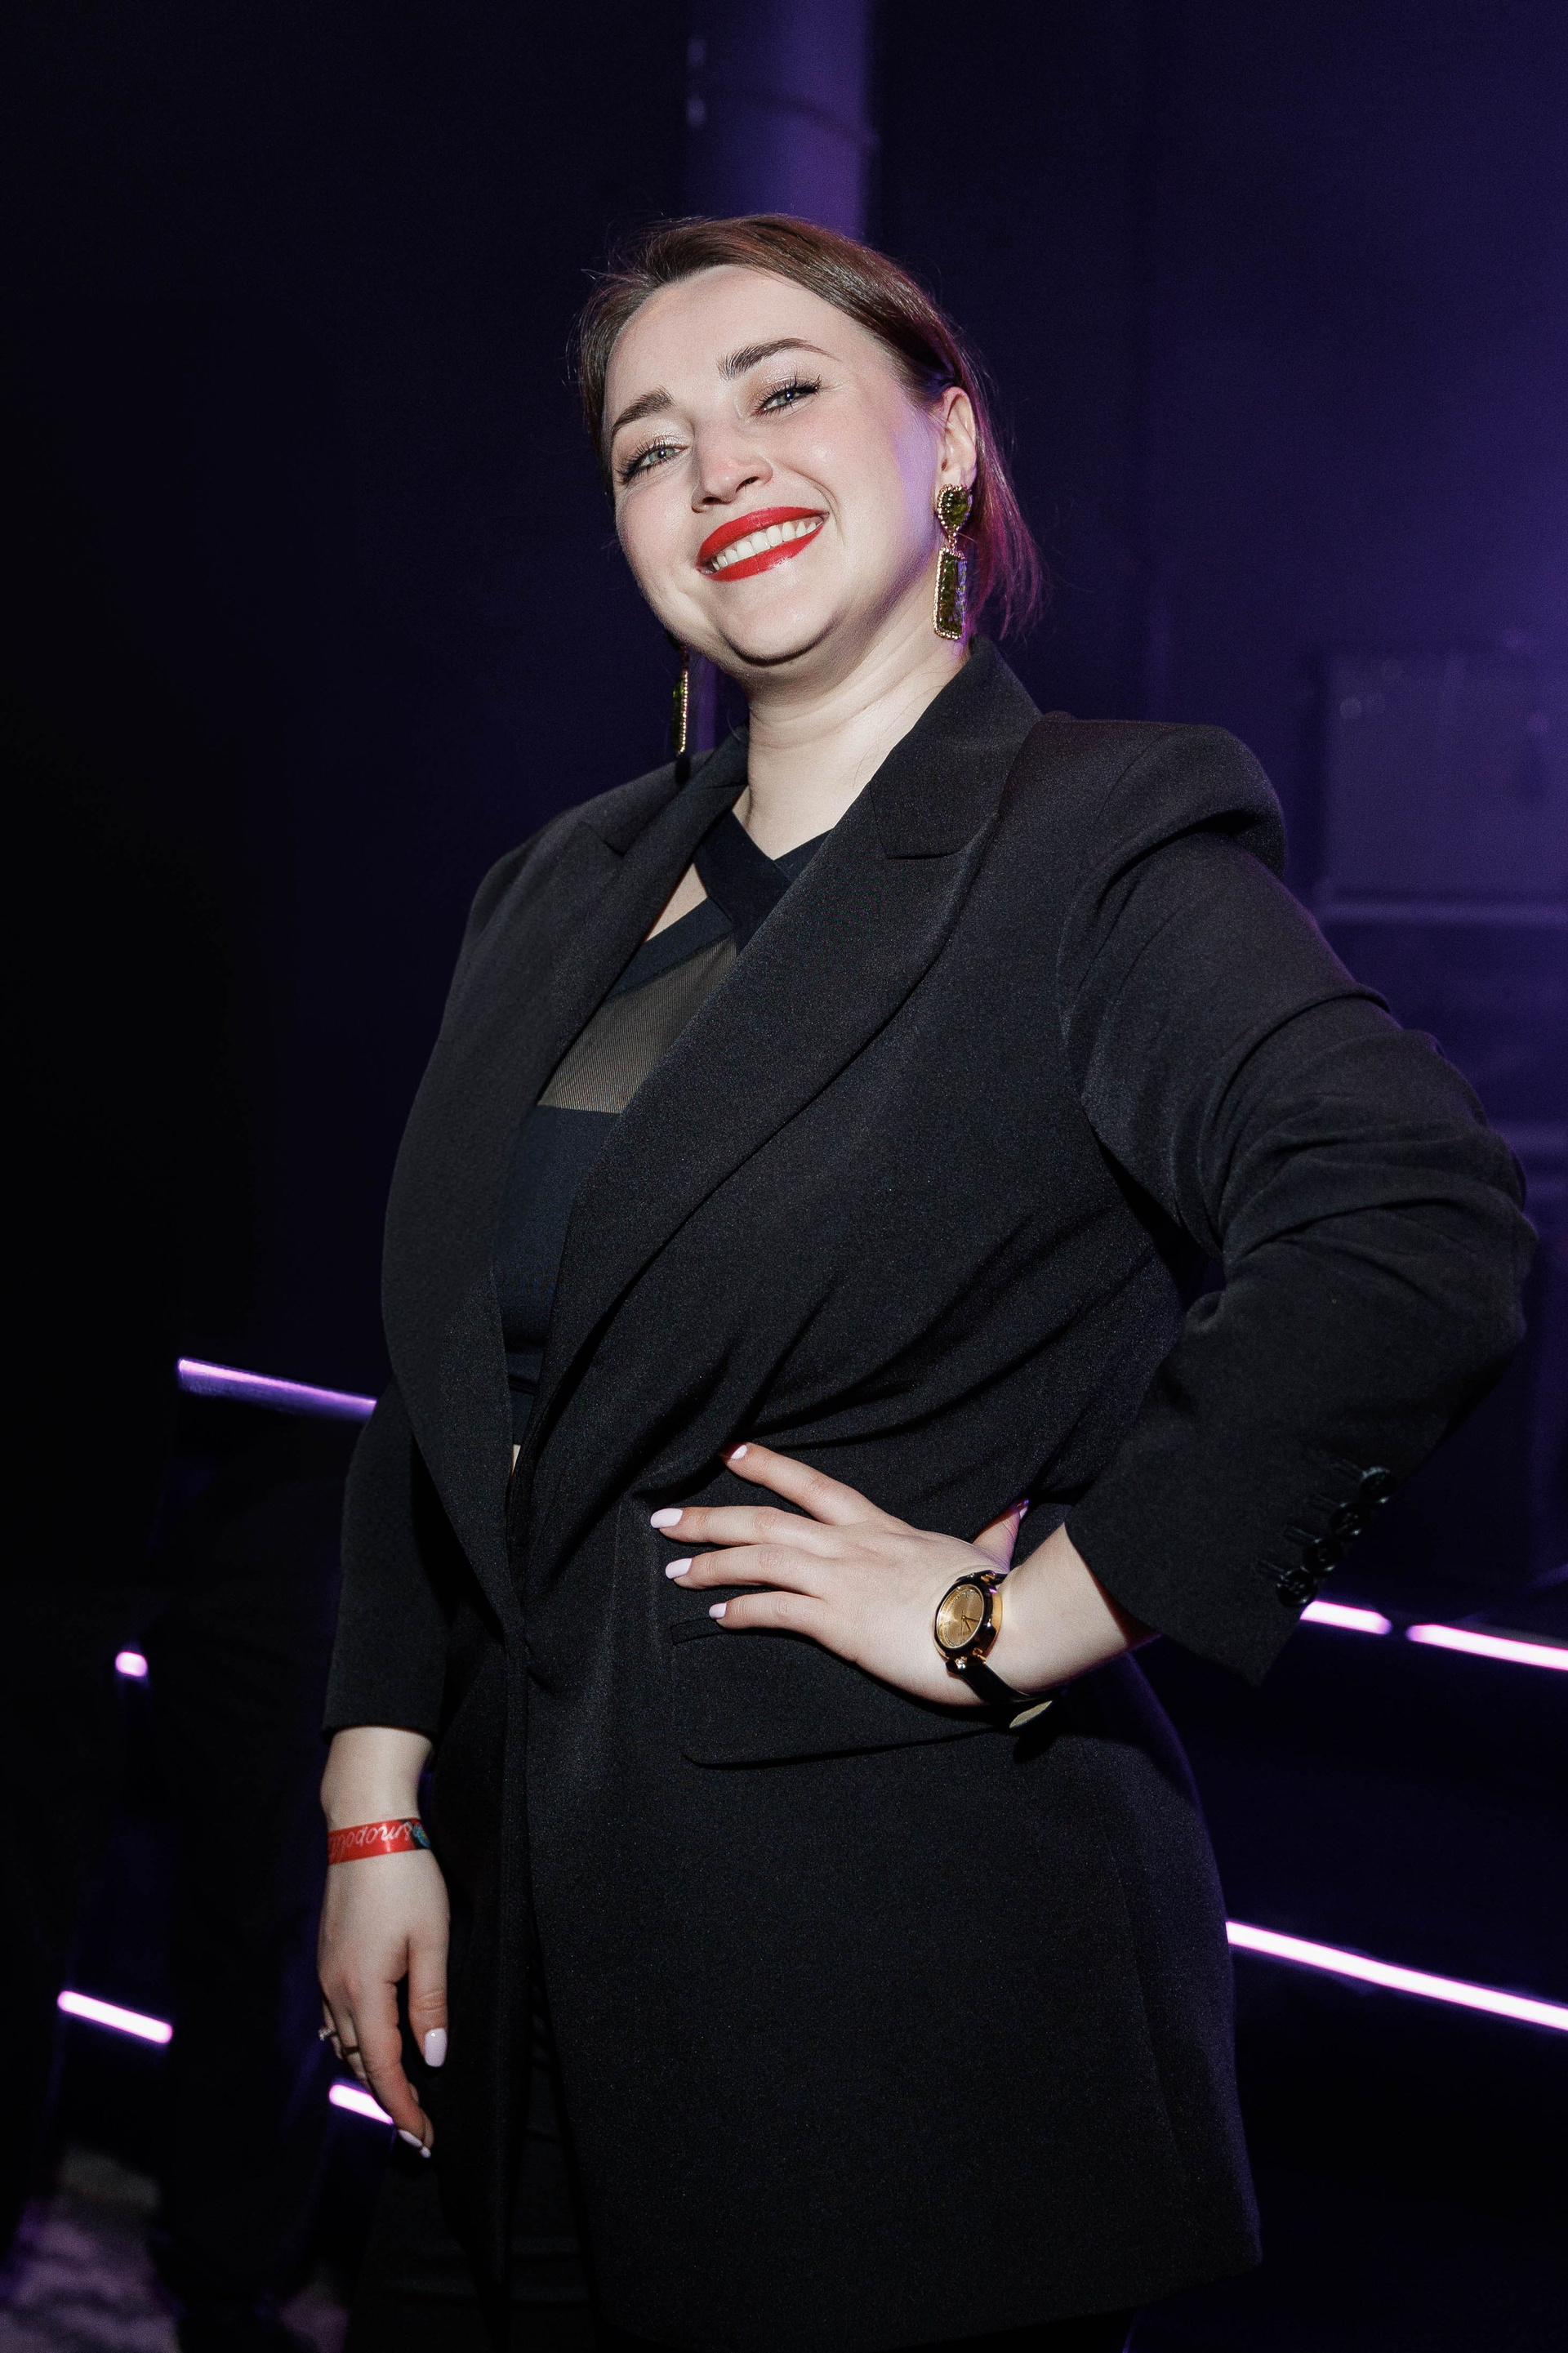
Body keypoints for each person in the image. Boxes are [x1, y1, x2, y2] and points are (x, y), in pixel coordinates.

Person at [316, 216, 1532, 2353]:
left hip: (879, 2004)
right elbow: (452, 1384)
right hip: (499, 1972)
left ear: (950, 444)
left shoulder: (1103, 841)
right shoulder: (552, 887)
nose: (718, 467)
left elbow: (1413, 1226)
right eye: (648, 446)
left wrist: (1028, 1612)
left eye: (783, 390)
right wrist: (374, 1792)